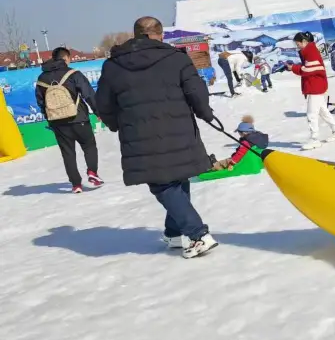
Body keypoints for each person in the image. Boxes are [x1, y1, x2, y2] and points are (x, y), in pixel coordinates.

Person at [95, 16, 218, 259]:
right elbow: (196, 90)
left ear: (135, 35)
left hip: (139, 134)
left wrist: (113, 124)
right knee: (174, 179)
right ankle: (175, 234)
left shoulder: (113, 65)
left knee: (166, 182)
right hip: (180, 128)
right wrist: (205, 114)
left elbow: (104, 104)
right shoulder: (176, 58)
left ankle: (197, 234)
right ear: (161, 34)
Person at [35, 47, 103, 193]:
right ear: (65, 58)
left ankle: (76, 184)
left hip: (58, 122)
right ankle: (92, 172)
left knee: (68, 153)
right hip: (79, 118)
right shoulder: (73, 74)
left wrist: (50, 120)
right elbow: (88, 94)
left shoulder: (41, 79)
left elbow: (41, 102)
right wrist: (98, 111)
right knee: (89, 146)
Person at [289, 32, 335, 150]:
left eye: (298, 44)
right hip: (316, 86)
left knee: (311, 114)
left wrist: (293, 68)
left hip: (315, 87)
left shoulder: (311, 51)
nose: (297, 46)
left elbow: (308, 70)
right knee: (323, 112)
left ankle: (314, 139)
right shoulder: (309, 51)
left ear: (304, 41)